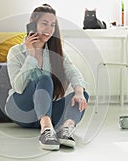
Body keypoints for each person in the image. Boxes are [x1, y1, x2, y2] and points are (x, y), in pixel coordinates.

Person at [5, 4, 89, 151]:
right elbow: (18, 87)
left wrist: (79, 92)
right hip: (20, 109)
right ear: (32, 23)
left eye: (52, 25)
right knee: (44, 79)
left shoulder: (55, 53)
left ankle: (65, 130)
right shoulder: (16, 52)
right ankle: (46, 131)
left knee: (82, 94)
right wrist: (31, 55)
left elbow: (74, 73)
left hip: (47, 110)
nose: (49, 29)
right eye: (44, 23)